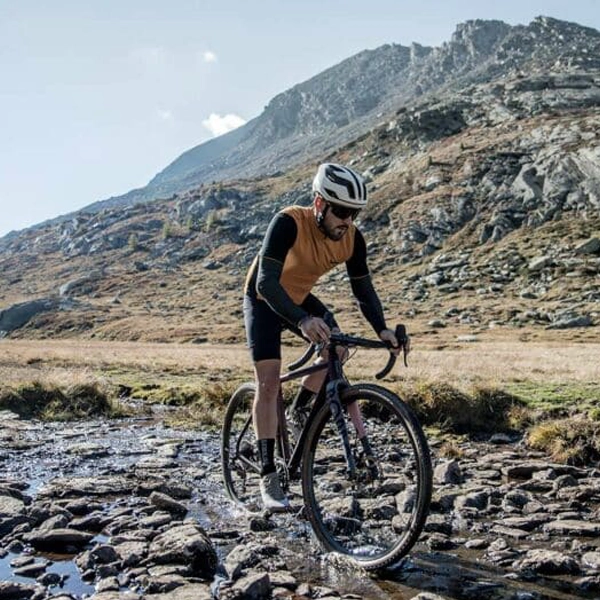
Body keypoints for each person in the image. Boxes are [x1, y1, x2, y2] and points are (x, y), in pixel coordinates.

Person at [243, 162, 403, 511]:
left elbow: (364, 290)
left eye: (354, 213)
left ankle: (300, 411)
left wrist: (383, 329)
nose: (347, 221)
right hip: (264, 298)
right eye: (341, 211)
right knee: (268, 384)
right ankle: (268, 477)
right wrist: (302, 321)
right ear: (319, 204)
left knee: (338, 347)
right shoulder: (288, 223)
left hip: (299, 297)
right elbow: (266, 283)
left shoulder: (351, 239)